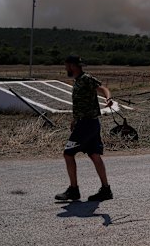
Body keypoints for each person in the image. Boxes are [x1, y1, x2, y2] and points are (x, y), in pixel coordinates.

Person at [55, 55, 114, 202]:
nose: (65, 68)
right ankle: (106, 190)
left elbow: (103, 88)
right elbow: (81, 104)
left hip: (87, 125)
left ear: (72, 66)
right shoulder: (77, 81)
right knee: (94, 155)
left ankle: (74, 190)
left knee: (68, 154)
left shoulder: (86, 79)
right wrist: (75, 119)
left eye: (66, 65)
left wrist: (108, 98)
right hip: (88, 123)